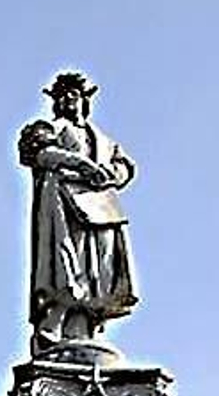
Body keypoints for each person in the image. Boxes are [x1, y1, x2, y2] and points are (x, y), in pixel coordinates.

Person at [18, 70, 138, 353]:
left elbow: (125, 167)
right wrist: (82, 165)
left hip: (101, 207)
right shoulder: (50, 127)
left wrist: (111, 174)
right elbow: (38, 154)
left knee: (99, 267)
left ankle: (87, 325)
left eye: (73, 95)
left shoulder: (104, 140)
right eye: (62, 96)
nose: (67, 100)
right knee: (66, 262)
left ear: (85, 100)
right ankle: (55, 322)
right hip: (64, 202)